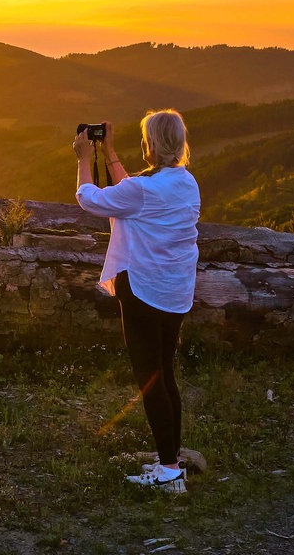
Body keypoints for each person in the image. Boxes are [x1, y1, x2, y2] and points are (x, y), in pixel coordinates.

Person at [73, 109, 200, 494]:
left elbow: (90, 199)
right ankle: (172, 458)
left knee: (150, 379)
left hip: (143, 290)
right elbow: (132, 195)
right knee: (166, 374)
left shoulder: (145, 190)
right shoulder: (186, 182)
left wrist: (83, 160)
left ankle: (168, 471)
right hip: (175, 292)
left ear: (152, 144)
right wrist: (109, 152)